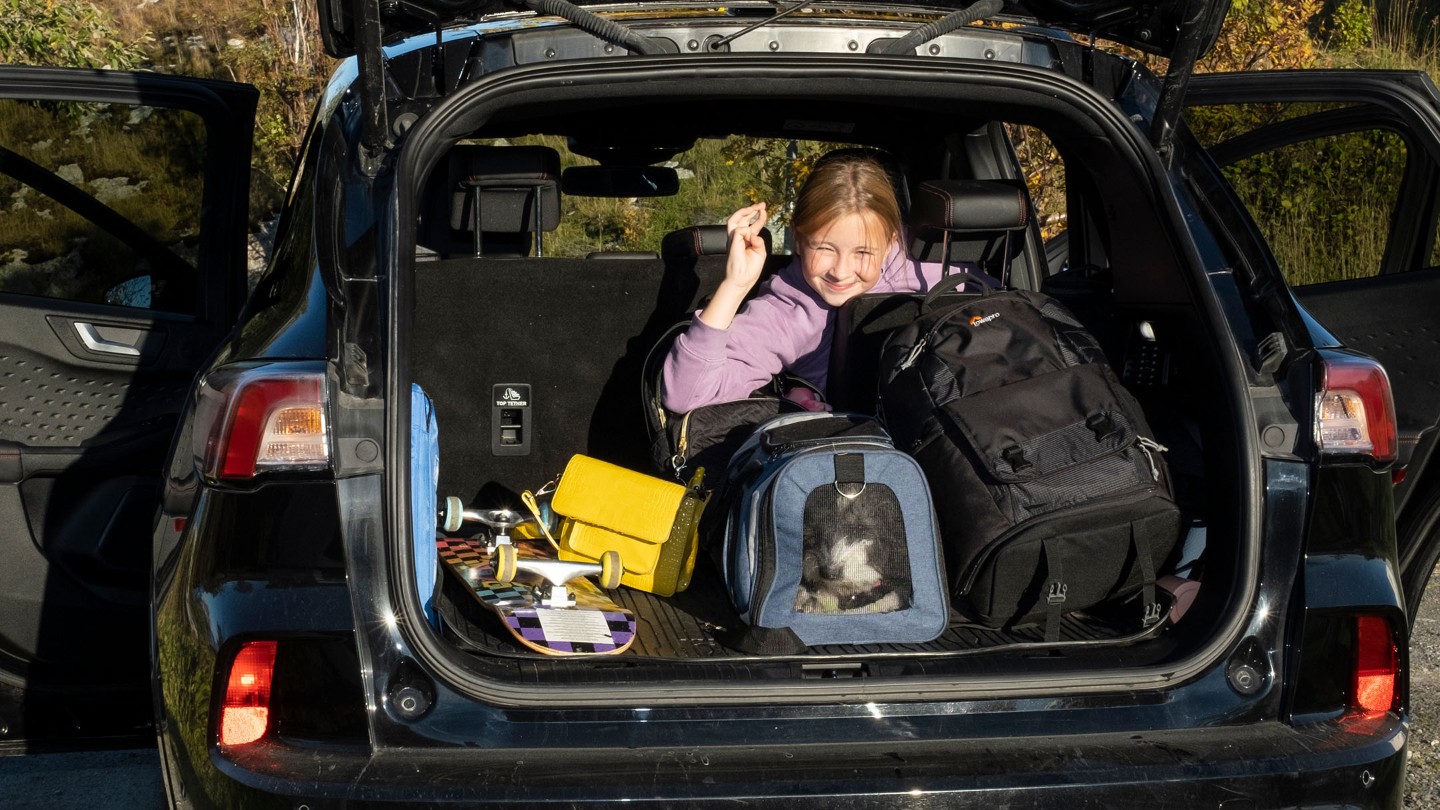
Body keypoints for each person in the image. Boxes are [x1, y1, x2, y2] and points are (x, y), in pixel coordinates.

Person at [661, 153, 947, 414]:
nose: (841, 272)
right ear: (797, 238)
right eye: (824, 248)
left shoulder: (934, 264)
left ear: (890, 244)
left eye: (862, 252)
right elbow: (686, 396)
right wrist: (735, 285)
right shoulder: (787, 312)